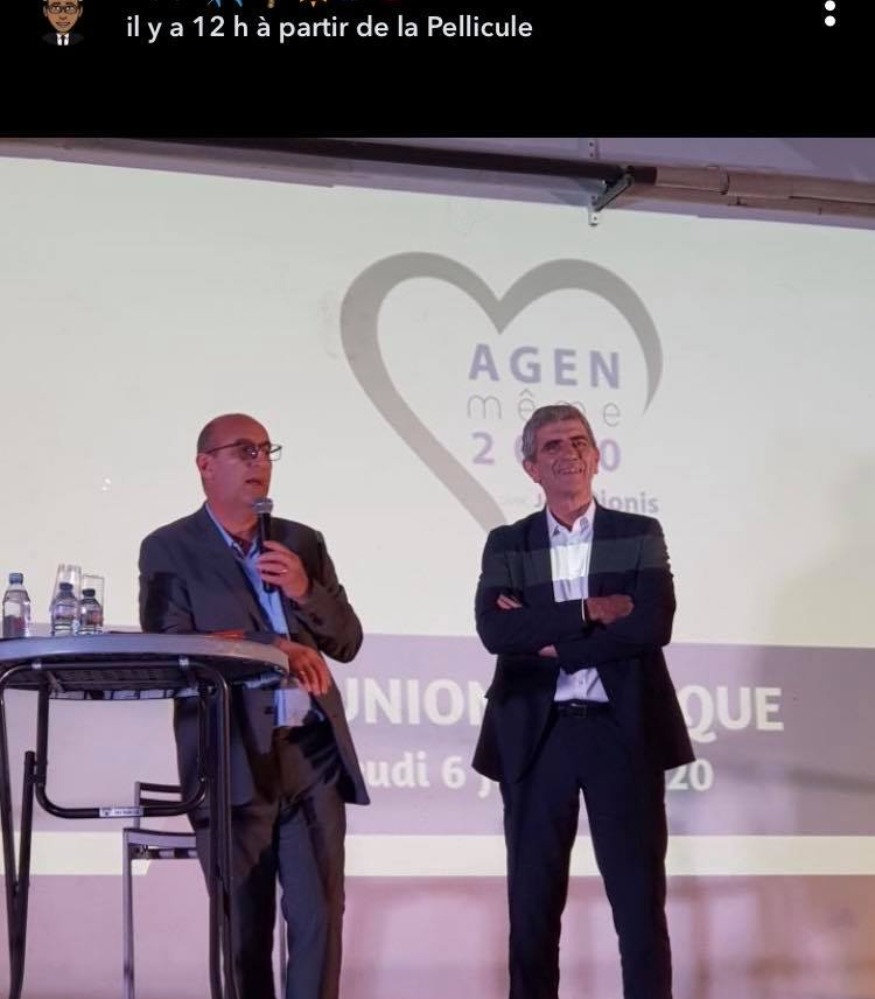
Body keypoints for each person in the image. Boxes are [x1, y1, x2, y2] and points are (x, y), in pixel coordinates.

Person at [138, 412, 369, 999]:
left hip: (311, 753)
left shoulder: (301, 542)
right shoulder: (169, 548)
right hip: (230, 753)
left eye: (266, 450)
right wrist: (273, 646)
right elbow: (171, 646)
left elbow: (347, 640)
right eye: (244, 450)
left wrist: (303, 590)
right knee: (243, 929)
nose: (259, 461)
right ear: (205, 464)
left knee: (320, 923)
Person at [472, 403, 693, 999]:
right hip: (536, 737)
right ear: (530, 467)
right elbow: (497, 631)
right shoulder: (508, 543)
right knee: (533, 908)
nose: (568, 451)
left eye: (578, 441)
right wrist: (592, 611)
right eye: (552, 445)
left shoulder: (638, 533)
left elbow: (651, 625)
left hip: (622, 733)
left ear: (596, 457)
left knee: (638, 904)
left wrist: (550, 640)